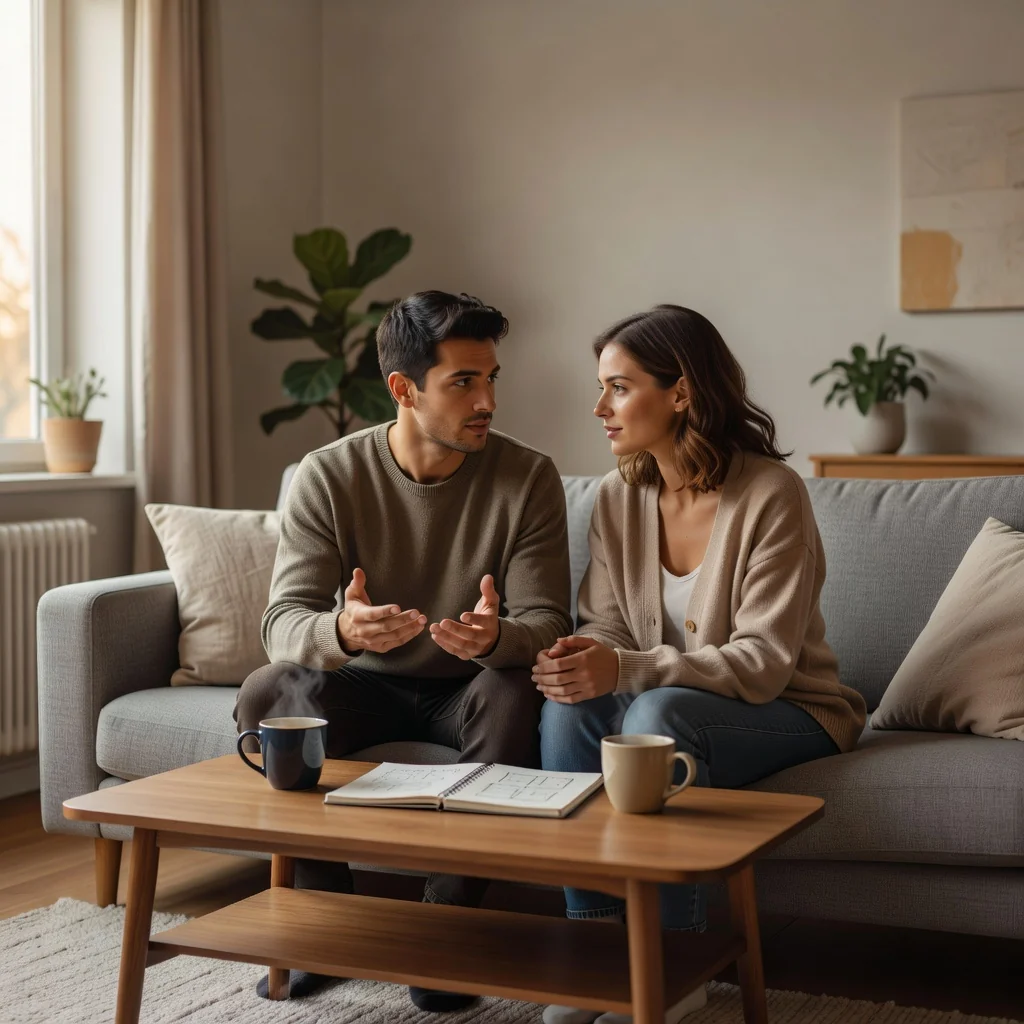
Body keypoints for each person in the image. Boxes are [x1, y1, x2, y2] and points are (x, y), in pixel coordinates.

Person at [235, 290, 572, 1012]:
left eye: (491, 379)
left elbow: (547, 620)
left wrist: (499, 637)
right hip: (367, 683)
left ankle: (444, 926)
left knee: (519, 689)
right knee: (269, 692)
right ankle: (325, 921)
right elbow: (282, 621)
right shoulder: (328, 474)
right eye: (464, 382)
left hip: (471, 692)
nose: (487, 400)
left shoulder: (529, 477)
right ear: (403, 389)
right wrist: (343, 632)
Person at [534, 305, 866, 1024]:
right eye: (602, 388)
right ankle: (595, 953)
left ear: (680, 393)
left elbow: (764, 662)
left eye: (619, 388)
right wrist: (584, 661)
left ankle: (672, 962)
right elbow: (609, 624)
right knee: (568, 706)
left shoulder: (772, 495)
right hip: (673, 702)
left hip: (791, 710)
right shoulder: (618, 496)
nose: (600, 408)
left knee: (656, 716)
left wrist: (622, 670)